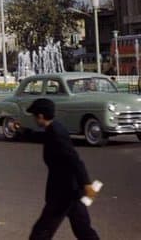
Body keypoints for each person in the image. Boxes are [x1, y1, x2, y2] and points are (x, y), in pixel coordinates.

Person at [26, 98, 99, 240]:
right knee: (83, 230)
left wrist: (87, 184)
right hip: (72, 191)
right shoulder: (54, 128)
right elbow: (39, 136)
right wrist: (22, 130)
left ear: (40, 116)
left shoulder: (56, 133)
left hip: (63, 192)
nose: (34, 119)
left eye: (34, 115)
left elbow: (74, 160)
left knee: (41, 232)